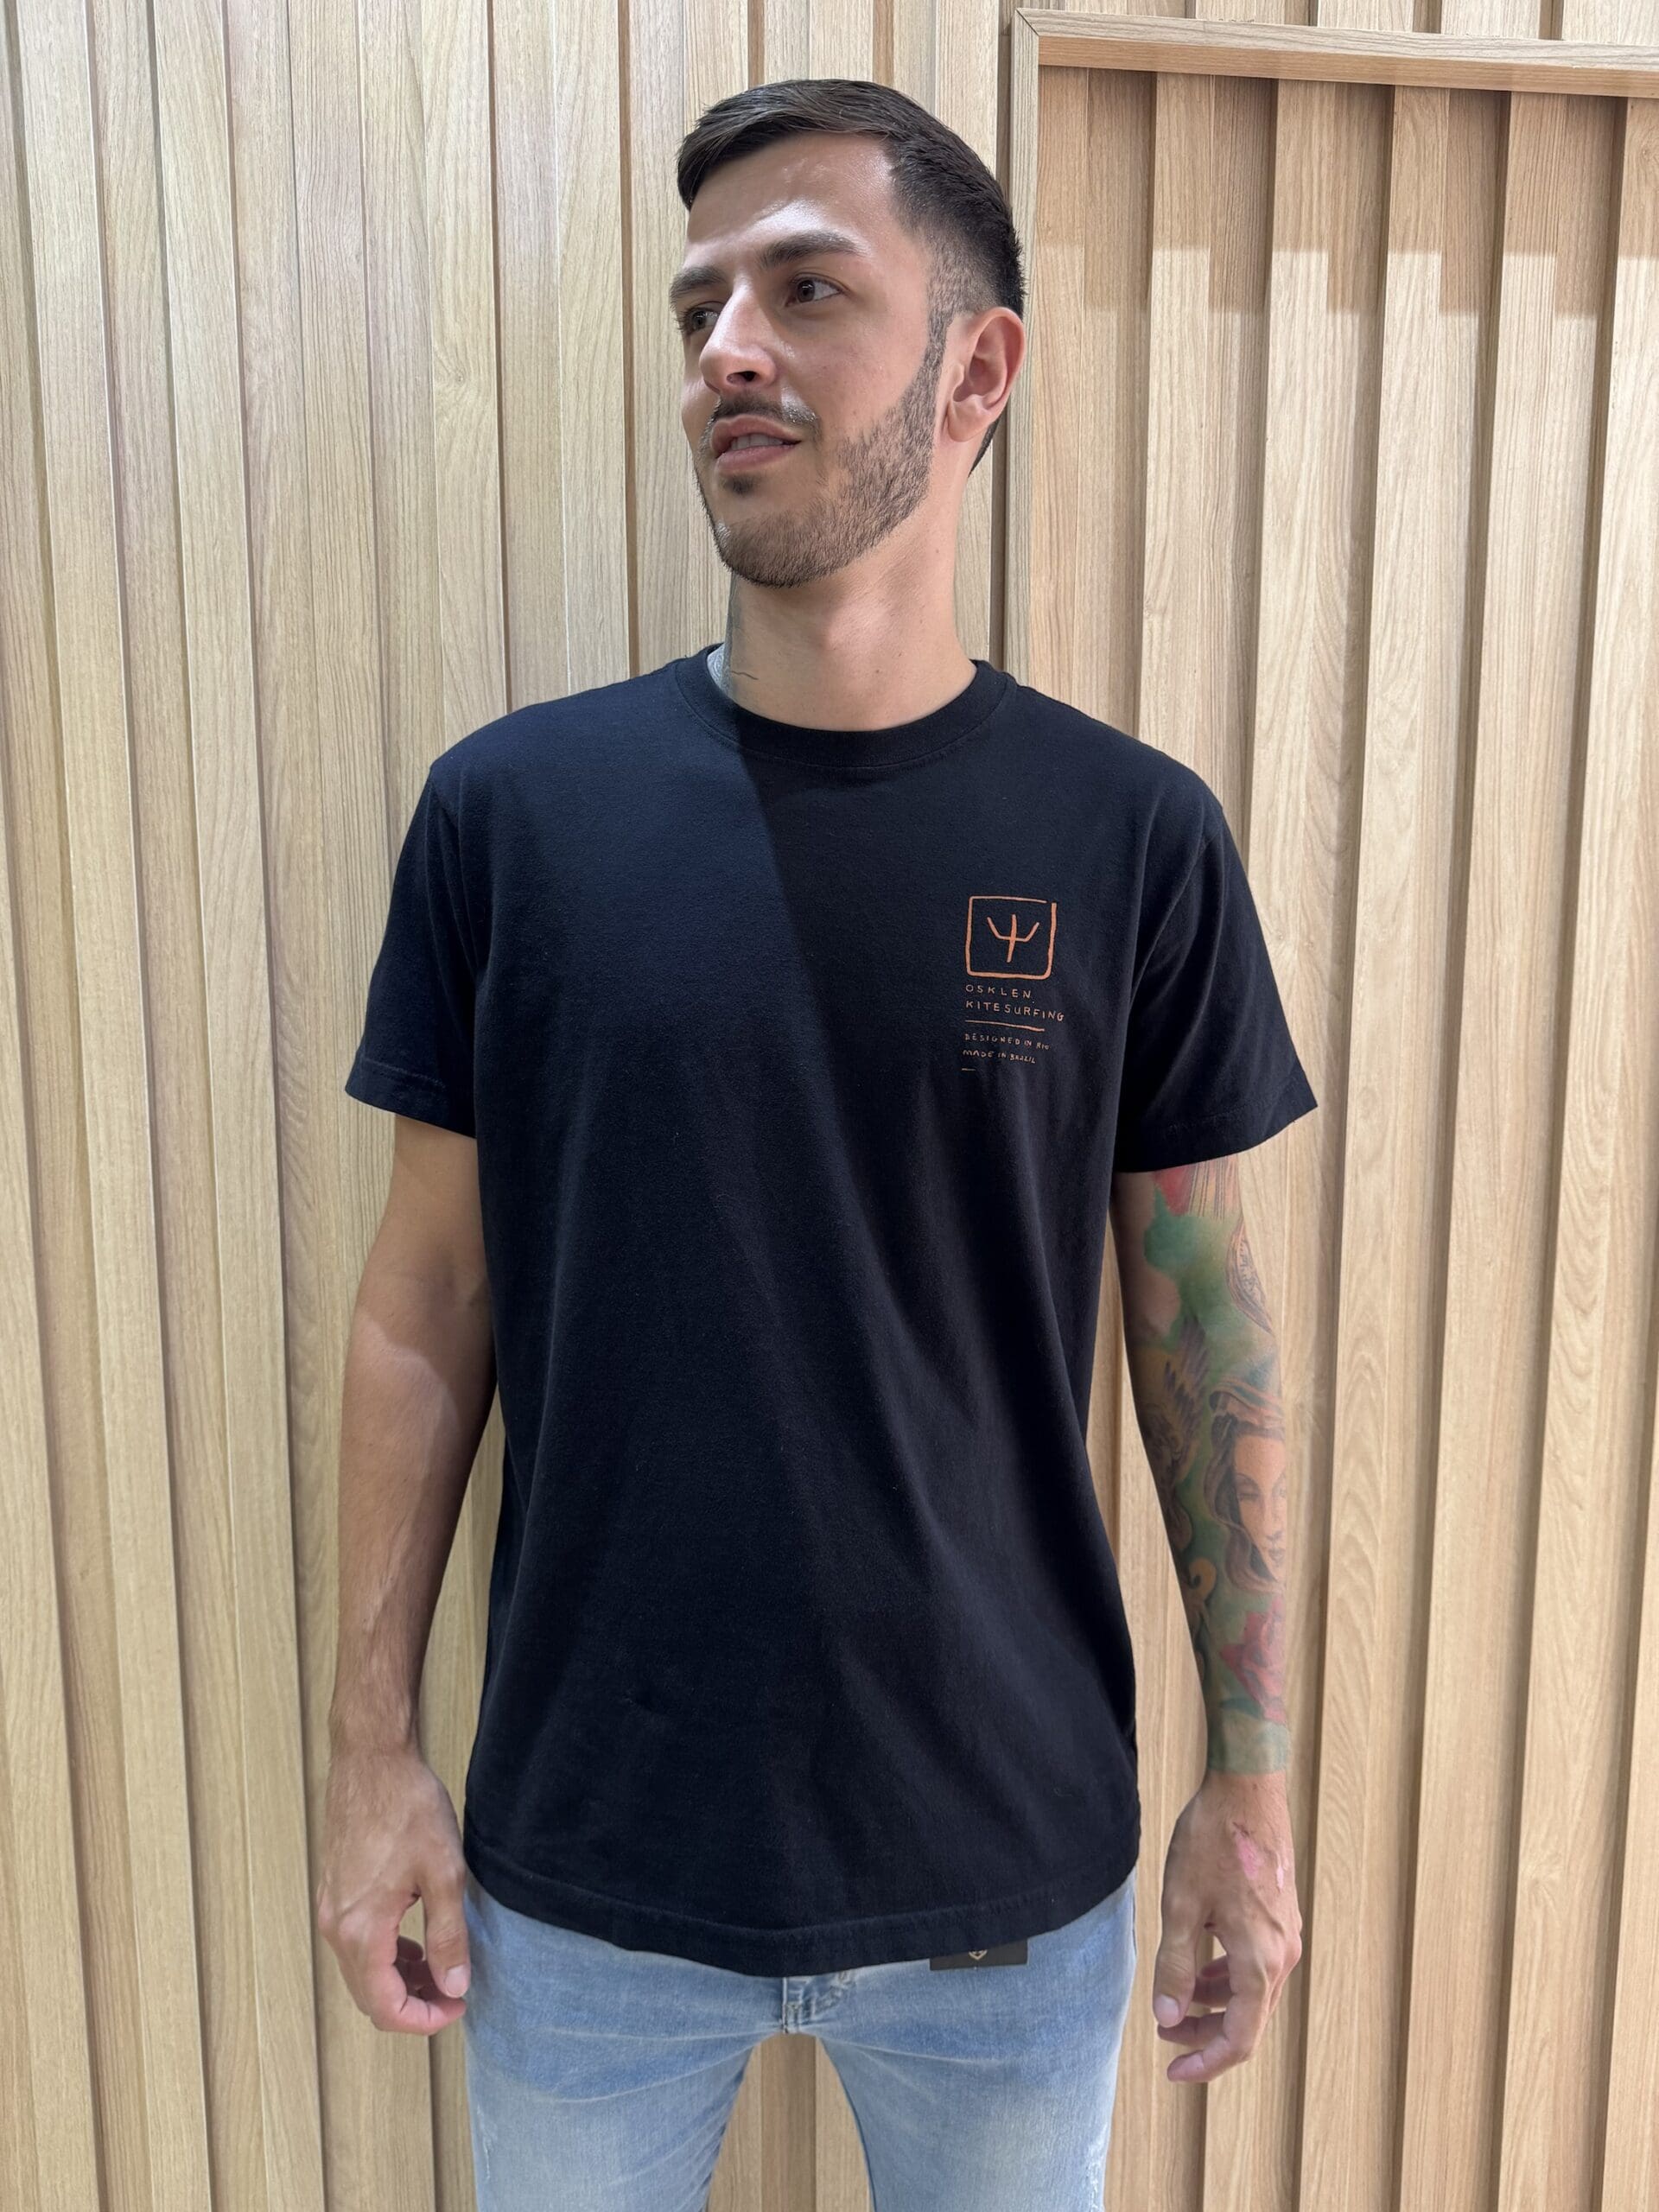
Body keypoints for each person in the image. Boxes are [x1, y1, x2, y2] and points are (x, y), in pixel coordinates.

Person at [317, 76, 1312, 2212]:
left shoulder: (1131, 838)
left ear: (979, 368)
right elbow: (423, 1305)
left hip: (1003, 1889)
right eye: (699, 308)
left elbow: (1202, 1326)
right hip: (584, 1872)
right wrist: (367, 1748)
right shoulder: (513, 820)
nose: (727, 352)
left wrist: (1250, 1777)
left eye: (805, 289)